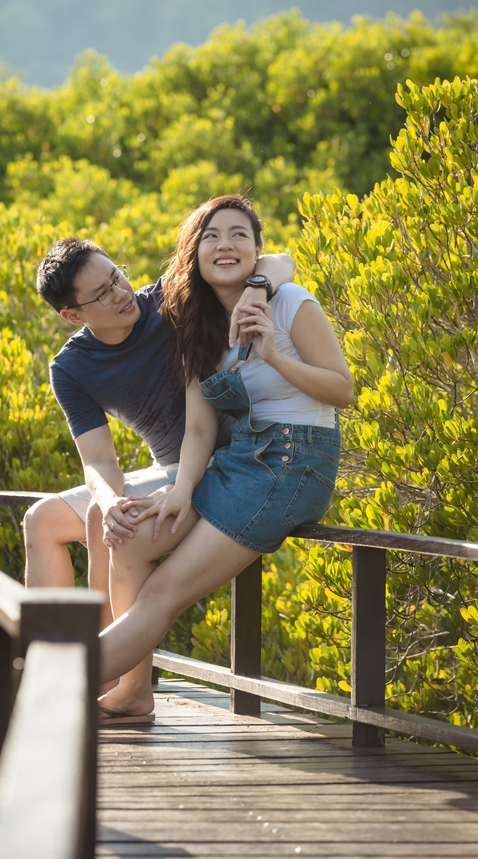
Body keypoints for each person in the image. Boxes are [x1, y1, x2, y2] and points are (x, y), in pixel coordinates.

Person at [96, 194, 353, 724]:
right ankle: (129, 691)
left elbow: (341, 390)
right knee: (130, 543)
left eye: (239, 234)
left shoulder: (289, 302)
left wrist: (274, 357)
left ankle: (45, 689)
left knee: (164, 592)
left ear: (258, 251)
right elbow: (199, 426)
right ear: (195, 252)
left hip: (294, 459)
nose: (225, 244)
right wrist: (181, 490)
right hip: (237, 460)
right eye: (211, 235)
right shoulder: (197, 327)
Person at [25, 233, 296, 629]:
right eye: (101, 294)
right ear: (73, 316)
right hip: (168, 466)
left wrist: (255, 291)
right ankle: (53, 663)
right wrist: (108, 498)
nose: (121, 293)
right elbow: (99, 460)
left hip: (227, 459)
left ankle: (105, 672)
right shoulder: (70, 368)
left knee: (104, 522)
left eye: (117, 277)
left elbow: (282, 261)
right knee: (42, 520)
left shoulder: (170, 298)